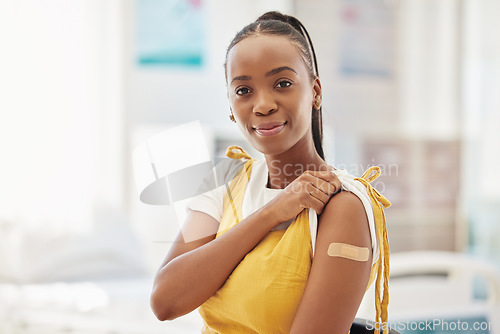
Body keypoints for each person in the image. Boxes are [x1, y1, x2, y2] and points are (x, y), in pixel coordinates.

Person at [150, 11, 390, 334]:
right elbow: (165, 300)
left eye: (283, 84)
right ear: (231, 107)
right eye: (243, 91)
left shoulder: (343, 206)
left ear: (315, 92)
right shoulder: (226, 180)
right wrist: (272, 211)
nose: (262, 105)